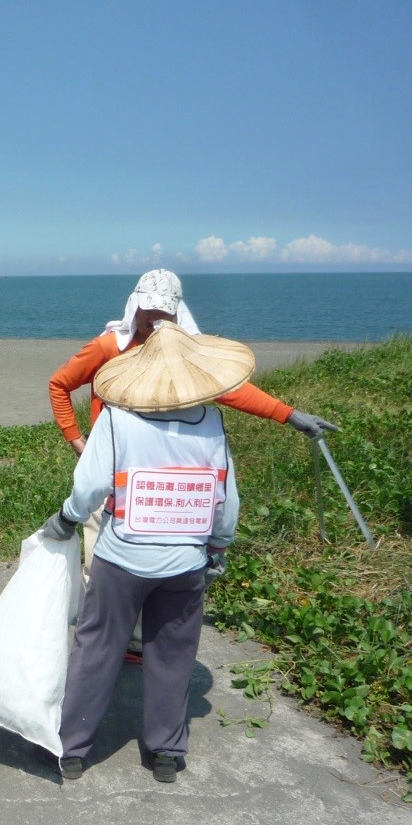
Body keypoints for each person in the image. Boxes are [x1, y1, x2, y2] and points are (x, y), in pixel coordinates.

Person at [48, 269, 337, 661]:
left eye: (164, 314)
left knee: (157, 564)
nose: (155, 320)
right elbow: (60, 383)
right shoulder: (107, 347)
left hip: (165, 479)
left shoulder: (185, 352)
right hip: (112, 477)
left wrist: (287, 414)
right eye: (149, 311)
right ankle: (102, 640)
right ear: (135, 306)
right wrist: (77, 440)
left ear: (176, 313)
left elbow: (229, 389)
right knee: (99, 557)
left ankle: (133, 643)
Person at [41, 322, 254, 783]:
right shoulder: (213, 423)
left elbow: (90, 485)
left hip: (122, 558)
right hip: (186, 564)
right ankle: (166, 752)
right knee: (172, 652)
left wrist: (68, 517)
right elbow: (226, 501)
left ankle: (72, 748)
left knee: (97, 644)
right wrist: (216, 548)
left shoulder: (117, 418)